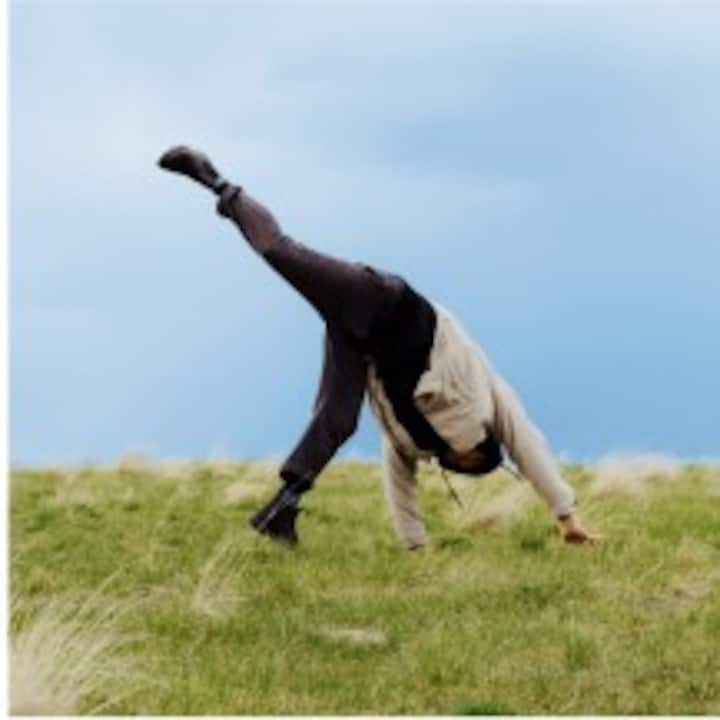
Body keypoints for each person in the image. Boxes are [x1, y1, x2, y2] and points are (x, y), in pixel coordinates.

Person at [158, 145, 600, 549]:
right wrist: (567, 517)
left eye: (460, 468)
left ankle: (283, 508)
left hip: (361, 344)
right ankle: (216, 181)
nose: (461, 463)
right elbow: (530, 445)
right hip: (385, 302)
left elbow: (399, 486)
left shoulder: (415, 441)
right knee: (282, 252)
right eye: (471, 463)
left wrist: (416, 547)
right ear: (481, 451)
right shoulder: (489, 402)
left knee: (337, 418)